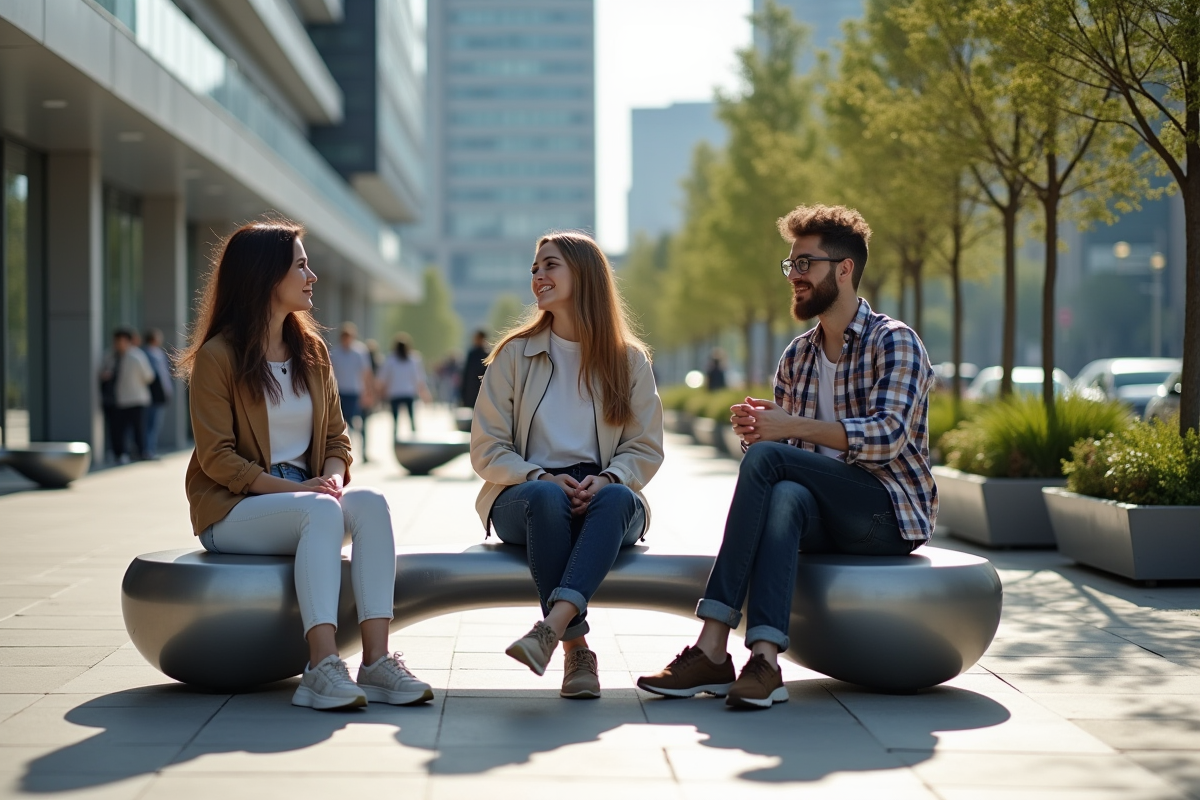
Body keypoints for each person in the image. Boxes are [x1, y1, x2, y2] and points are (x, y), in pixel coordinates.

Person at [638, 204, 938, 709]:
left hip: (886, 515)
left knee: (777, 471)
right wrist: (762, 432)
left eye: (805, 264)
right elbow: (787, 464)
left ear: (844, 270)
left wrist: (786, 430)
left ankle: (712, 645)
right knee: (785, 496)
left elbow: (888, 437)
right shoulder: (797, 355)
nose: (794, 276)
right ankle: (764, 662)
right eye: (791, 265)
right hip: (818, 511)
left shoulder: (895, 342)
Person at [176, 219, 432, 711]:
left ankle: (376, 662)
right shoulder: (218, 357)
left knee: (372, 503)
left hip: (309, 497)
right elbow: (217, 459)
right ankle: (320, 666)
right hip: (233, 508)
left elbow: (338, 437)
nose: (311, 276)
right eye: (300, 266)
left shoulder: (311, 352)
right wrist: (301, 492)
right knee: (318, 511)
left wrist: (331, 478)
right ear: (265, 276)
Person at [471, 231, 665, 700]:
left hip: (605, 494)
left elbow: (645, 446)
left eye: (550, 265)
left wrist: (610, 478)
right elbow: (486, 446)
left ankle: (550, 627)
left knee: (619, 497)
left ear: (585, 274)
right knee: (546, 497)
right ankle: (576, 647)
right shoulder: (515, 355)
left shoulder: (629, 360)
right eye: (535, 268)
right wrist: (538, 475)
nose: (538, 276)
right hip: (527, 493)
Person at [100, 327, 155, 463]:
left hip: (137, 399)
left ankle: (141, 452)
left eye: (122, 341)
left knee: (138, 429)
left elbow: (149, 376)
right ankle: (120, 453)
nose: (119, 344)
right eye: (117, 341)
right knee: (118, 430)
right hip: (118, 400)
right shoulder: (110, 356)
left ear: (129, 341)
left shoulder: (137, 356)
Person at [330, 322, 375, 462]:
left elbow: (366, 373)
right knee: (344, 423)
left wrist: (368, 392)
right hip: (340, 392)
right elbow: (330, 373)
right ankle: (346, 449)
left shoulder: (359, 352)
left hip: (356, 392)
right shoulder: (335, 353)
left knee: (360, 423)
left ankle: (363, 451)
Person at [376, 333, 430, 439]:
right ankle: (414, 439)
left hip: (394, 393)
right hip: (408, 393)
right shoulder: (413, 359)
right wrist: (424, 394)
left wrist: (379, 392)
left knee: (395, 420)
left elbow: (382, 378)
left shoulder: (391, 359)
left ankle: (396, 440)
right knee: (411, 419)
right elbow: (419, 379)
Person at [142, 328, 174, 459]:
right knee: (151, 424)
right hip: (152, 394)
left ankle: (149, 449)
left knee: (153, 423)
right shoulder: (147, 354)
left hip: (159, 394)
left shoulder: (158, 354)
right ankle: (148, 450)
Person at [460, 329, 490, 408]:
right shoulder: (472, 354)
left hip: (482, 390)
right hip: (472, 390)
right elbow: (466, 374)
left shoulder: (487, 354)